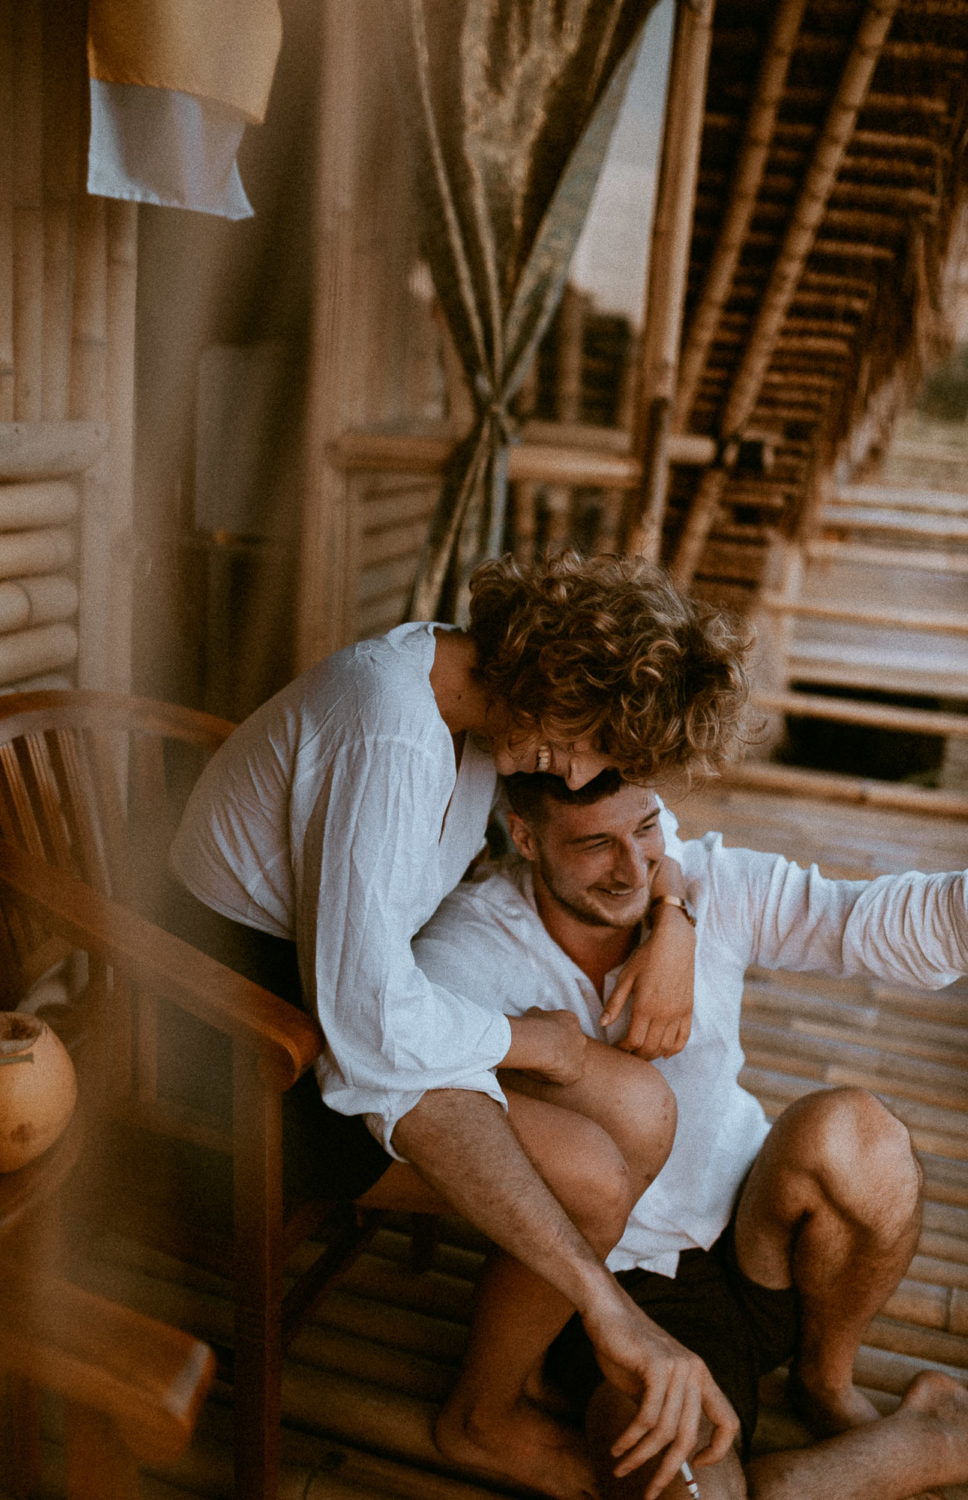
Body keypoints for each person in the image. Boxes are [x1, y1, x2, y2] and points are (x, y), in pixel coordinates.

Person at [168, 551, 751, 1498]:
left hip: (334, 994)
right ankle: (495, 1407)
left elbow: (650, 819)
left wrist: (672, 908)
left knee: (641, 1107)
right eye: (594, 738)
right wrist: (539, 1045)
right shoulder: (390, 730)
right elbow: (365, 1028)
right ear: (561, 672)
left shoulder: (479, 706)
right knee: (598, 1176)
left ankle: (514, 1370)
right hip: (236, 1039)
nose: (588, 770)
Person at [412, 766, 968, 1499]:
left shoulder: (703, 885)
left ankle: (824, 1379)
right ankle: (924, 1446)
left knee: (865, 1137)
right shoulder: (470, 947)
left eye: (645, 829)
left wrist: (676, 912)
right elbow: (403, 1062)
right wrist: (544, 1046)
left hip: (753, 1231)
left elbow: (862, 921)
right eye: (595, 844)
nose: (631, 868)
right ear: (524, 835)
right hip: (623, 1297)